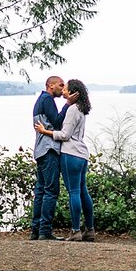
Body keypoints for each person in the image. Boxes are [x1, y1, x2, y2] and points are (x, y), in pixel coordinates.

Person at [35, 78, 95, 242]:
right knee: (83, 192)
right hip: (82, 154)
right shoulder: (82, 108)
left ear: (73, 93)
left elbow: (64, 135)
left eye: (65, 88)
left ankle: (75, 231)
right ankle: (90, 230)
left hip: (71, 154)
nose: (63, 91)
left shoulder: (72, 109)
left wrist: (44, 131)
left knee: (74, 192)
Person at [30, 76, 76, 241]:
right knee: (51, 190)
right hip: (49, 150)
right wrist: (68, 104)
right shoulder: (47, 99)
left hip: (40, 150)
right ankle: (45, 230)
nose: (62, 87)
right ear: (50, 85)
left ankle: (36, 230)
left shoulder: (40, 100)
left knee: (41, 190)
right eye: (60, 84)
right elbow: (57, 122)